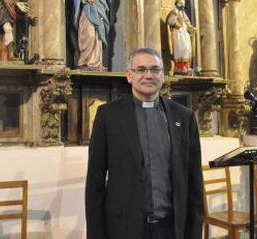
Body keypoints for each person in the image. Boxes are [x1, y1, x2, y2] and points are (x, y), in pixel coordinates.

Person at [85, 47, 204, 239]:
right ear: (129, 75)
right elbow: (94, 184)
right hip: (124, 228)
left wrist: (195, 232)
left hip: (171, 228)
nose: (148, 75)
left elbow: (194, 182)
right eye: (141, 70)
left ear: (163, 76)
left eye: (155, 69)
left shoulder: (184, 117)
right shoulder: (108, 116)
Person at [166, 0, 196, 75]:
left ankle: (186, 66)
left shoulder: (183, 13)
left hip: (185, 33)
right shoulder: (175, 11)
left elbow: (188, 23)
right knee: (181, 49)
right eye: (180, 2)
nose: (182, 4)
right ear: (177, 2)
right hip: (178, 33)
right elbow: (170, 21)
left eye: (183, 2)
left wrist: (191, 28)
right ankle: (179, 67)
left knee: (187, 48)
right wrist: (178, 23)